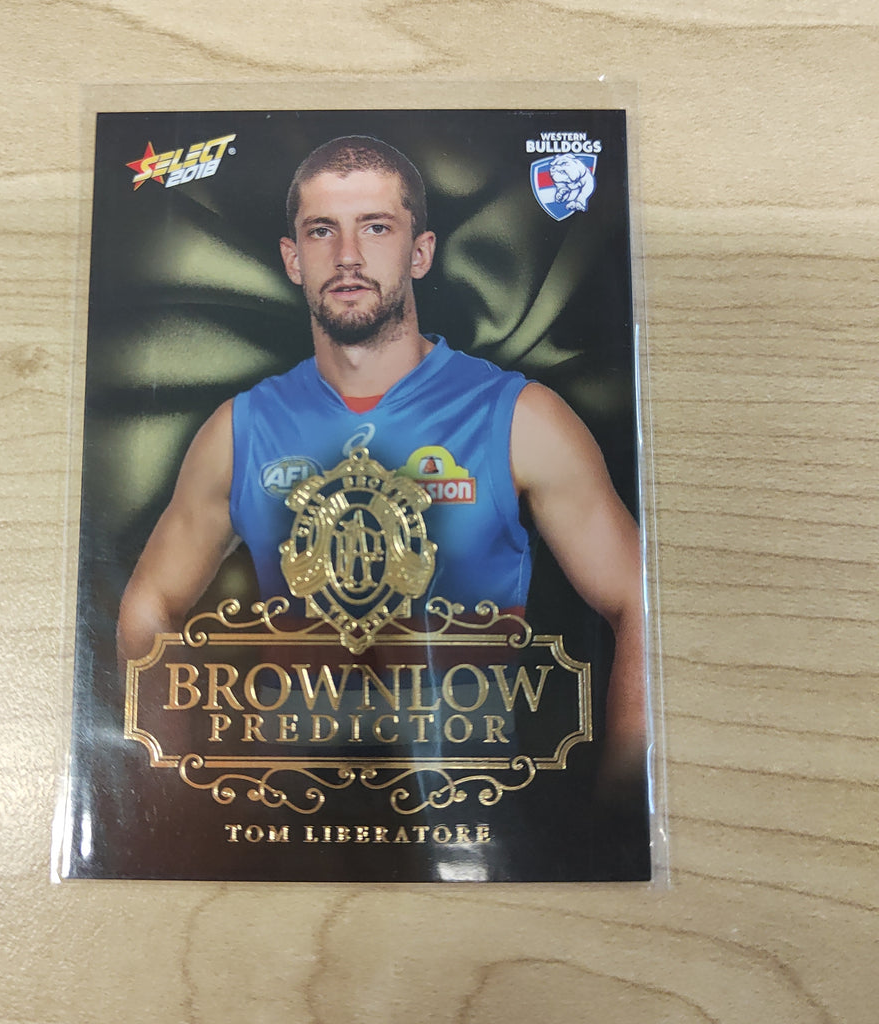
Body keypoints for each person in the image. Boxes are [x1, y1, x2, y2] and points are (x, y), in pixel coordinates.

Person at [117, 136, 647, 782]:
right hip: (288, 810)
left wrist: (621, 799)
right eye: (321, 231)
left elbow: (638, 601)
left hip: (466, 809)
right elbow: (148, 608)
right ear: (292, 258)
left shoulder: (519, 418)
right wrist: (171, 790)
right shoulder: (240, 429)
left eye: (375, 227)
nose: (347, 255)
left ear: (419, 252)